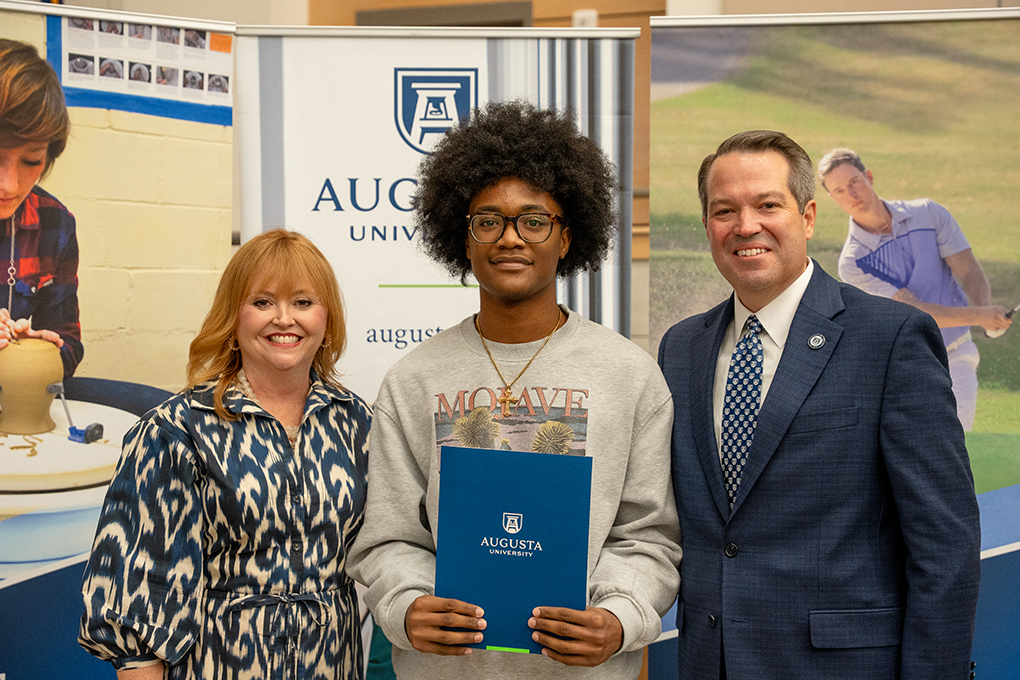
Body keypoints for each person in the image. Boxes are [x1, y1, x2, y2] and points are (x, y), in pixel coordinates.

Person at [347, 100, 681, 680]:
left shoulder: (631, 376)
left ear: (567, 237)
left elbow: (648, 535)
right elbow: (387, 536)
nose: (510, 238)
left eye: (533, 220)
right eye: (488, 220)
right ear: (465, 237)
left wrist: (620, 617)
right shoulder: (413, 379)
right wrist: (406, 606)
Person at [657, 130, 981, 679]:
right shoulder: (681, 347)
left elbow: (944, 543)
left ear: (807, 217)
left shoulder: (891, 337)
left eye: (767, 205)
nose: (745, 226)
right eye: (723, 210)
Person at [79, 229, 371, 680]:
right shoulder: (175, 432)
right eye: (262, 302)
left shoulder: (356, 422)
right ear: (233, 317)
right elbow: (139, 600)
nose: (284, 318)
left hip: (333, 666)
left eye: (303, 302)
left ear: (327, 319)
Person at [818, 147, 1011, 430]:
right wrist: (980, 316)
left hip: (957, 356)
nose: (851, 194)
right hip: (908, 368)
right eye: (839, 191)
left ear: (868, 177)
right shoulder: (853, 262)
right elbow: (915, 313)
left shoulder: (928, 214)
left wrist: (985, 313)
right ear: (833, 198)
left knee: (959, 445)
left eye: (854, 182)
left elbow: (968, 269)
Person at [0, 38, 83, 376]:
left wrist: (39, 348)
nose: (8, 184)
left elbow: (69, 344)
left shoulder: (55, 224)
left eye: (31, 161)